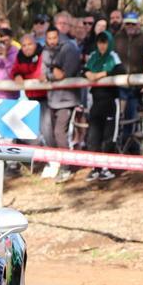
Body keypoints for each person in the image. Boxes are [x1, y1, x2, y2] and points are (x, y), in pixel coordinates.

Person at [83, 31, 125, 181]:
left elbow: (120, 69)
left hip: (111, 101)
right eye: (100, 42)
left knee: (109, 136)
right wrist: (89, 75)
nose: (102, 46)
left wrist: (100, 75)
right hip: (96, 101)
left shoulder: (113, 56)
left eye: (105, 42)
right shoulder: (94, 56)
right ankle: (96, 168)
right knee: (94, 136)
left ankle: (106, 168)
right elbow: (85, 69)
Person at [43, 26, 83, 180]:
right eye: (49, 38)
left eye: (55, 37)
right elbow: (47, 72)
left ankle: (66, 166)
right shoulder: (46, 51)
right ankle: (60, 163)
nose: (52, 41)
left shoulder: (70, 49)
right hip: (53, 99)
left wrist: (50, 74)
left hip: (67, 99)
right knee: (51, 132)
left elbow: (65, 74)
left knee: (60, 132)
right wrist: (51, 73)